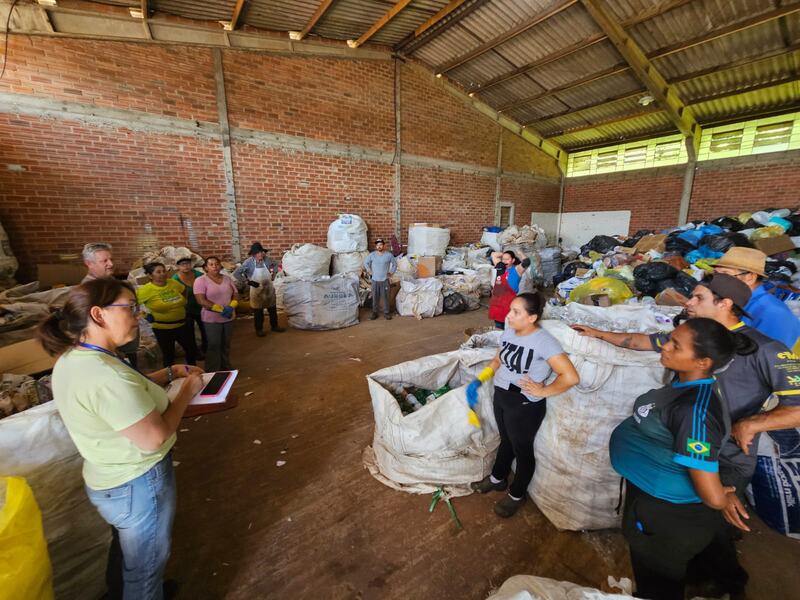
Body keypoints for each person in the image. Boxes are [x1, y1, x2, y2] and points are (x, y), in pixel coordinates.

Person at [574, 274, 800, 594]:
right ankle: (705, 578)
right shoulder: (692, 336)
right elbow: (641, 341)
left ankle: (714, 581)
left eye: (698, 297)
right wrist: (596, 332)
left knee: (708, 521)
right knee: (702, 522)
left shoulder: (767, 350)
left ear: (724, 304)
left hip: (724, 457)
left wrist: (751, 424)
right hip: (681, 456)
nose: (688, 303)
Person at [39, 278, 204, 600]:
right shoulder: (105, 376)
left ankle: (121, 592)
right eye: (130, 308)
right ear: (99, 314)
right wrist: (187, 392)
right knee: (145, 568)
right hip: (138, 481)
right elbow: (154, 437)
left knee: (127, 552)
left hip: (110, 478)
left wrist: (168, 373)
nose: (138, 316)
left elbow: (128, 389)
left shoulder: (78, 357)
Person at [610, 318, 752, 600]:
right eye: (670, 339)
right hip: (657, 492)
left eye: (676, 345)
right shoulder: (687, 380)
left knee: (657, 578)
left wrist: (722, 496)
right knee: (697, 553)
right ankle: (718, 582)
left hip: (666, 510)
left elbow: (712, 498)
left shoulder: (694, 411)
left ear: (702, 362)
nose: (666, 346)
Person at [468, 292, 579, 518]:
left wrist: (543, 390)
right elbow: (499, 359)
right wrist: (481, 378)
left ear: (532, 317)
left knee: (522, 450)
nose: (509, 316)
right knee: (505, 440)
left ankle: (517, 494)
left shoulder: (544, 342)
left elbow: (570, 376)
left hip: (524, 405)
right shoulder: (509, 332)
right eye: (510, 310)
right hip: (501, 395)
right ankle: (497, 479)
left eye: (516, 312)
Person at [714, 246, 800, 353]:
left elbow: (771, 360)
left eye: (725, 274)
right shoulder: (735, 302)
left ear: (750, 277)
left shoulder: (773, 313)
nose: (716, 280)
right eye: (715, 274)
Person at [81, 242, 139, 369]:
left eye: (111, 259)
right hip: (113, 352)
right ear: (89, 264)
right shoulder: (89, 291)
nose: (111, 264)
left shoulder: (111, 282)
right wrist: (114, 352)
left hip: (126, 347)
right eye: (104, 261)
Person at [137, 262, 197, 368]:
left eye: (164, 271)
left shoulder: (172, 283)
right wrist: (145, 315)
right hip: (163, 329)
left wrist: (184, 302)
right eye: (158, 272)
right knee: (169, 355)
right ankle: (170, 379)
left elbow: (184, 291)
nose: (162, 274)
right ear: (150, 275)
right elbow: (132, 305)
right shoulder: (146, 290)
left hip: (182, 325)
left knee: (191, 351)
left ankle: (193, 372)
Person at [193, 257, 238, 372]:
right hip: (211, 319)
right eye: (211, 264)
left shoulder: (227, 279)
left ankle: (225, 366)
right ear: (206, 268)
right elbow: (201, 300)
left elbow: (235, 295)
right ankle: (212, 370)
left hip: (228, 317)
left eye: (217, 264)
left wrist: (231, 306)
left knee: (226, 344)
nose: (214, 267)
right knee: (214, 345)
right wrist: (219, 309)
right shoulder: (200, 281)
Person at [232, 242, 285, 337]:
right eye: (258, 253)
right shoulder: (248, 263)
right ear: (253, 254)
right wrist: (248, 282)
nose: (260, 254)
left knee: (272, 309)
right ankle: (259, 329)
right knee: (258, 312)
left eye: (261, 252)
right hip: (256, 290)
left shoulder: (267, 260)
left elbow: (276, 265)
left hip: (268, 289)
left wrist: (274, 274)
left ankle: (275, 326)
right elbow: (236, 274)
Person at [172, 257, 207, 357]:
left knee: (205, 329)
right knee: (189, 332)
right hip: (186, 309)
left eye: (187, 264)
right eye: (182, 264)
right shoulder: (175, 279)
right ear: (178, 267)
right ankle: (195, 352)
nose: (186, 266)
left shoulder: (198, 275)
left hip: (201, 307)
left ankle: (206, 348)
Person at [489, 249, 530, 329]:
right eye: (503, 259)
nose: (504, 261)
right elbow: (493, 254)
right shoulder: (500, 266)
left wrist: (520, 253)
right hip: (498, 302)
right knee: (499, 327)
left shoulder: (517, 269)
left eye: (507, 259)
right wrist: (505, 254)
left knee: (510, 327)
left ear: (513, 260)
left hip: (510, 302)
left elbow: (526, 262)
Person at [363, 239, 397, 320]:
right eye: (378, 245)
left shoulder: (388, 255)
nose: (379, 246)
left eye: (381, 245)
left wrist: (391, 272)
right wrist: (369, 270)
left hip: (384, 280)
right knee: (375, 297)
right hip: (375, 280)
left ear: (384, 246)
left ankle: (386, 313)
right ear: (376, 246)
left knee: (385, 297)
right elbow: (365, 262)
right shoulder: (372, 255)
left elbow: (395, 264)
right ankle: (375, 313)